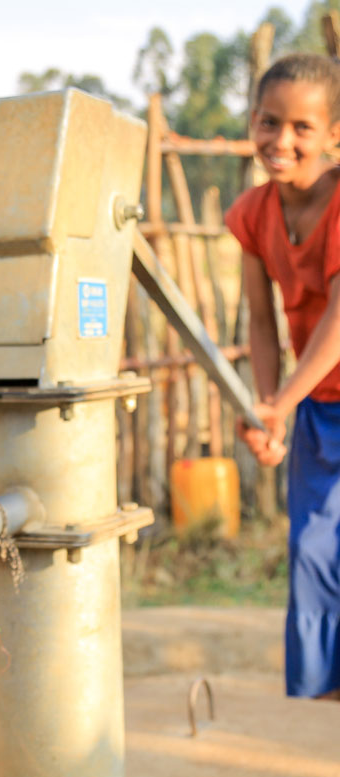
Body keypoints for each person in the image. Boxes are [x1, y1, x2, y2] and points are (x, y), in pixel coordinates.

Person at [226, 52, 340, 699]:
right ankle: (323, 708)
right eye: (270, 122)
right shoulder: (252, 214)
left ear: (333, 134)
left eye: (302, 127)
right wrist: (268, 404)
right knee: (313, 558)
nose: (282, 141)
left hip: (313, 397)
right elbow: (262, 322)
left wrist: (280, 405)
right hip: (323, 408)